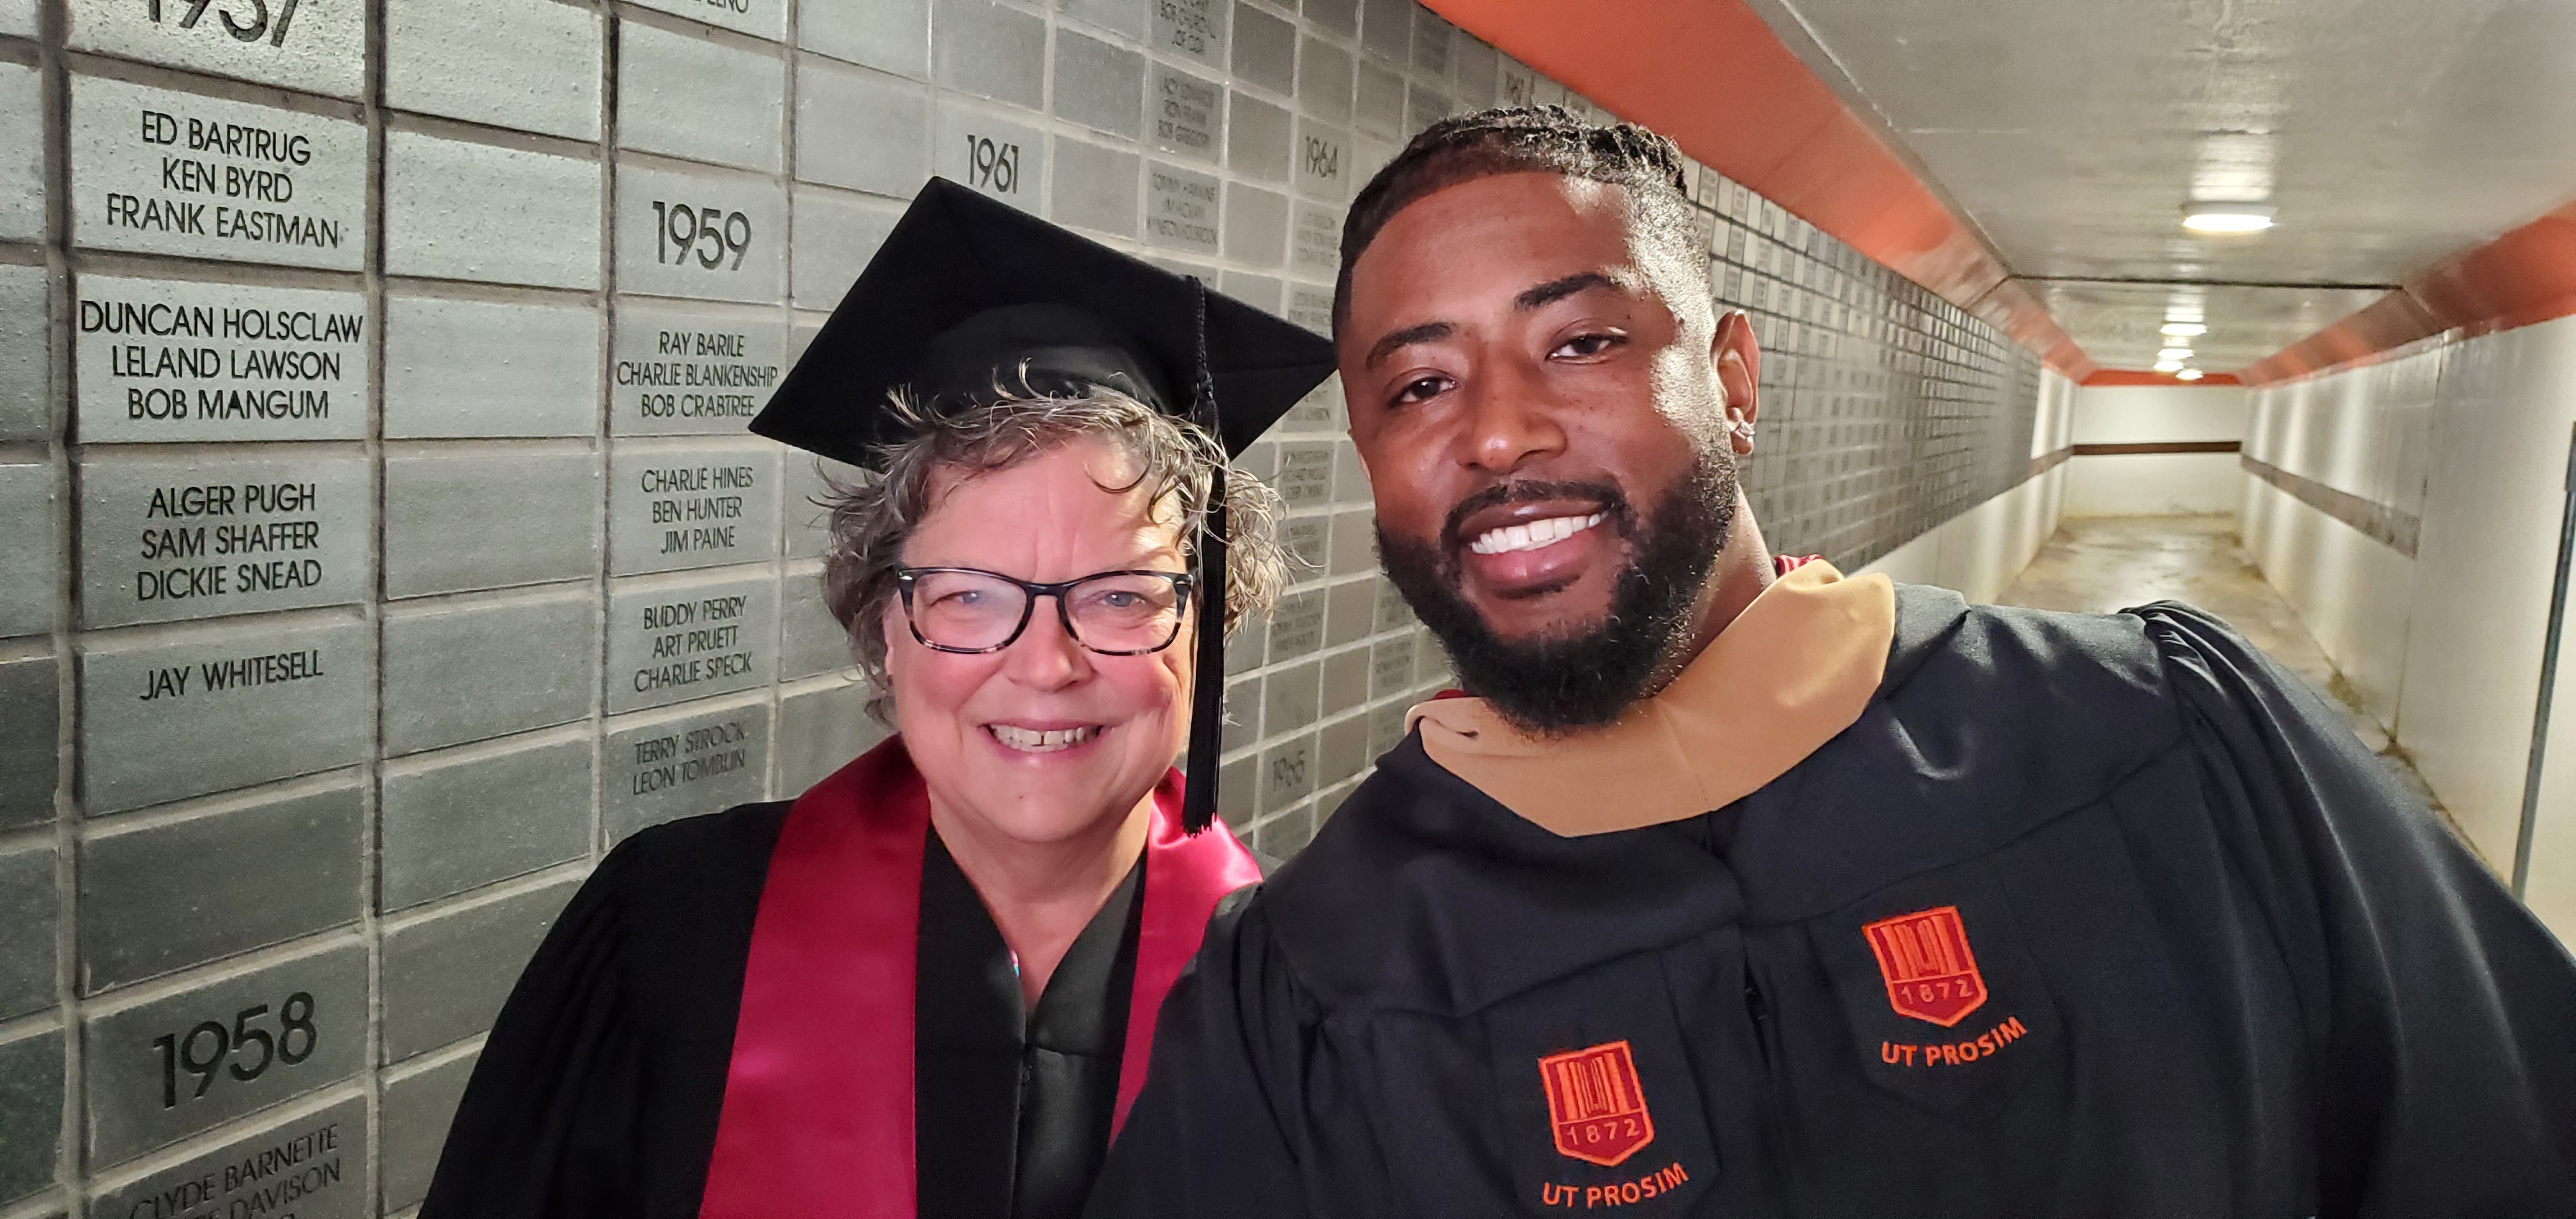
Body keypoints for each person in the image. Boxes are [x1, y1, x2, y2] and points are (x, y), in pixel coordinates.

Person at [1086, 107, 2576, 1217]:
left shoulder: (2166, 748)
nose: (1497, 431)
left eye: (1582, 343)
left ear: (1733, 380)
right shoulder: (1314, 988)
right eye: (1418, 383)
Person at [420, 179, 1335, 1219]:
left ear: (1209, 626)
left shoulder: (1311, 1001)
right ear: (886, 625)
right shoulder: (673, 935)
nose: (1046, 664)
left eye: (1121, 596)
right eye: (970, 595)